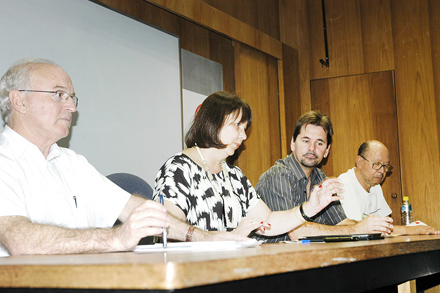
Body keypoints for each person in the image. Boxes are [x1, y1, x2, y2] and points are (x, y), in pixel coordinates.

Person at [0, 58, 173, 257]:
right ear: (19, 101)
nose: (72, 107)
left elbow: (132, 208)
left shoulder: (73, 163)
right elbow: (20, 242)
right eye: (59, 95)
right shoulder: (4, 161)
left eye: (71, 98)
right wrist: (116, 238)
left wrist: (202, 236)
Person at [153, 92, 344, 240]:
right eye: (237, 126)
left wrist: (309, 208)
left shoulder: (234, 175)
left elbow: (268, 221)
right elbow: (166, 226)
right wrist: (218, 238)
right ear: (213, 122)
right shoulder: (178, 169)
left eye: (244, 129)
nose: (243, 136)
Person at [255, 111, 393, 243]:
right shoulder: (278, 176)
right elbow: (297, 232)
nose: (312, 148)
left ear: (326, 151)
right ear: (292, 143)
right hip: (271, 262)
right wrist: (357, 229)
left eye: (319, 143)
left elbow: (343, 223)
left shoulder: (321, 178)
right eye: (305, 141)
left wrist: (370, 226)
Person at [338, 140, 439, 235]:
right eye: (377, 164)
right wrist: (408, 230)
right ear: (359, 162)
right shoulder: (345, 183)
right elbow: (356, 228)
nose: (382, 171)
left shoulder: (375, 185)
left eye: (386, 166)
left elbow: (386, 226)